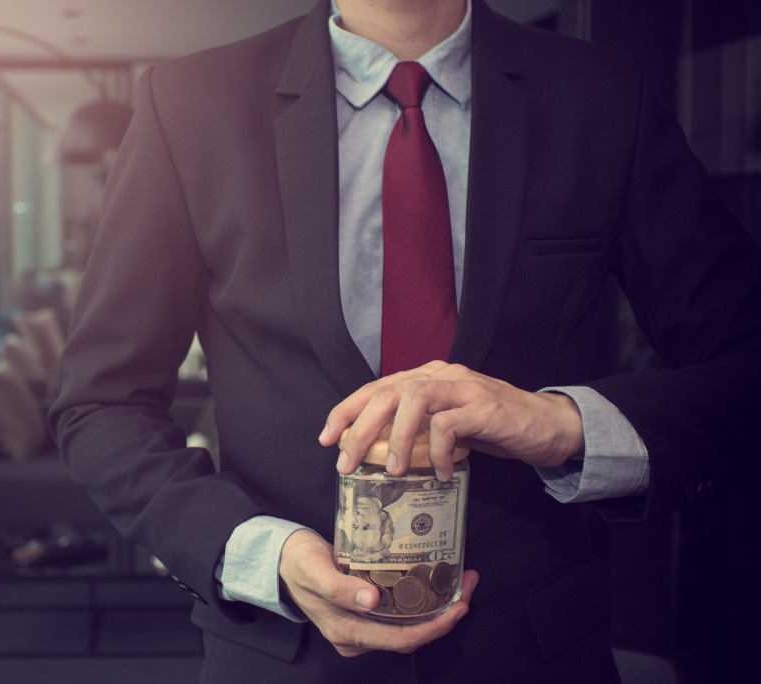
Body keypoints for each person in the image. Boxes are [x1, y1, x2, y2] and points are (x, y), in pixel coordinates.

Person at [48, 0, 761, 681]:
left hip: (536, 654)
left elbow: (744, 358)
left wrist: (559, 423)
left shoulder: (600, 95)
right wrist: (263, 553)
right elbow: (100, 402)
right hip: (281, 658)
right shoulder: (189, 103)